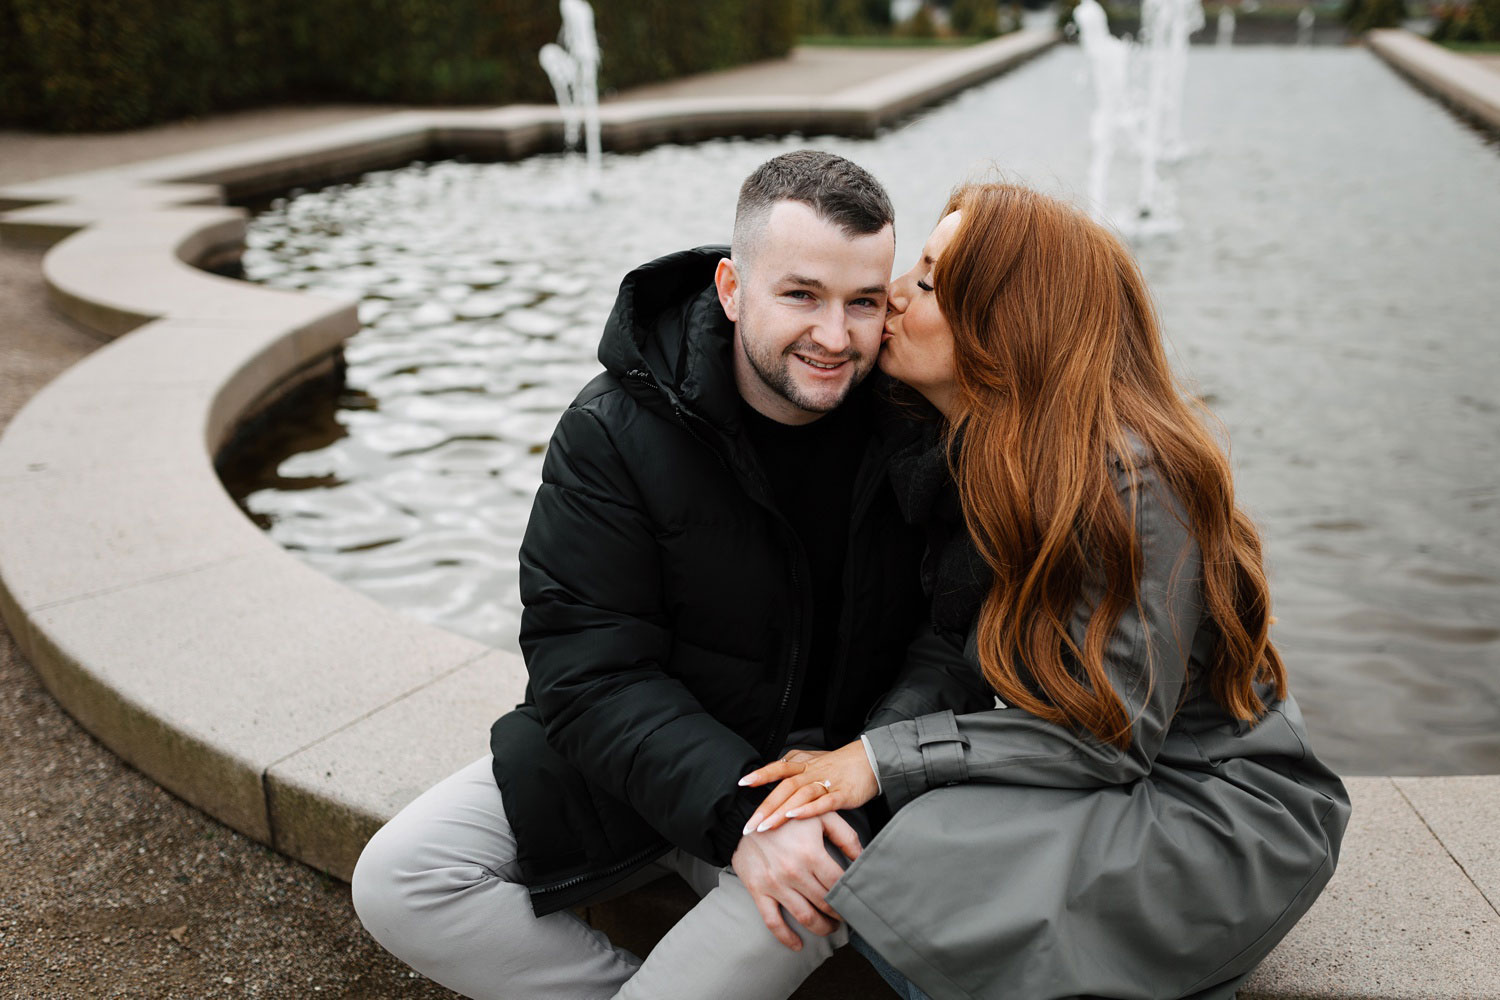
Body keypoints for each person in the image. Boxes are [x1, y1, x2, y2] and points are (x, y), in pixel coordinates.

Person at [740, 182, 1352, 1000]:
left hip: (1216, 812)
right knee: (901, 857)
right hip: (1119, 772)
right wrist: (865, 757)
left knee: (921, 873)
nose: (890, 296)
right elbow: (949, 648)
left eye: (924, 283)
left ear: (1003, 328)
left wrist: (881, 760)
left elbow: (1111, 740)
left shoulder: (1131, 484)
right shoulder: (977, 452)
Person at [349, 150, 926, 999]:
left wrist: (865, 766)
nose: (836, 337)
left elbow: (953, 642)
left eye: (864, 303)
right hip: (652, 758)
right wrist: (735, 818)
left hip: (821, 786)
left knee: (809, 886)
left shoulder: (917, 428)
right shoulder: (612, 430)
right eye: (801, 294)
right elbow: (586, 668)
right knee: (399, 880)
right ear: (732, 290)